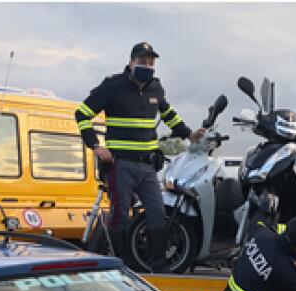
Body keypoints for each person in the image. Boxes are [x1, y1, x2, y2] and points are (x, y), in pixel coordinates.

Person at [75, 42, 205, 272]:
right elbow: (82, 114)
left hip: (147, 167)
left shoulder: (156, 87)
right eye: (142, 62)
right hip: (119, 165)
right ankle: (121, 267)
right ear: (131, 62)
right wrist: (95, 146)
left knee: (157, 216)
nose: (147, 66)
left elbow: (167, 113)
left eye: (151, 62)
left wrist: (189, 134)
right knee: (120, 218)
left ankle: (159, 268)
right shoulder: (113, 85)